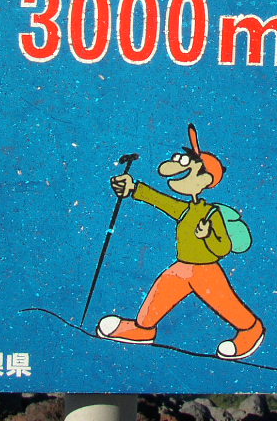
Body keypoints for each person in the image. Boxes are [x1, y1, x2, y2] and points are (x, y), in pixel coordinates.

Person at [96, 124, 265, 360]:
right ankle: (143, 329)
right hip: (183, 268)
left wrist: (207, 235)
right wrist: (133, 188)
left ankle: (251, 330)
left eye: (187, 164)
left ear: (205, 179)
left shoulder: (211, 213)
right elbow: (162, 201)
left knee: (227, 305)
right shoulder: (187, 209)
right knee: (160, 294)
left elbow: (223, 247)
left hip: (205, 270)